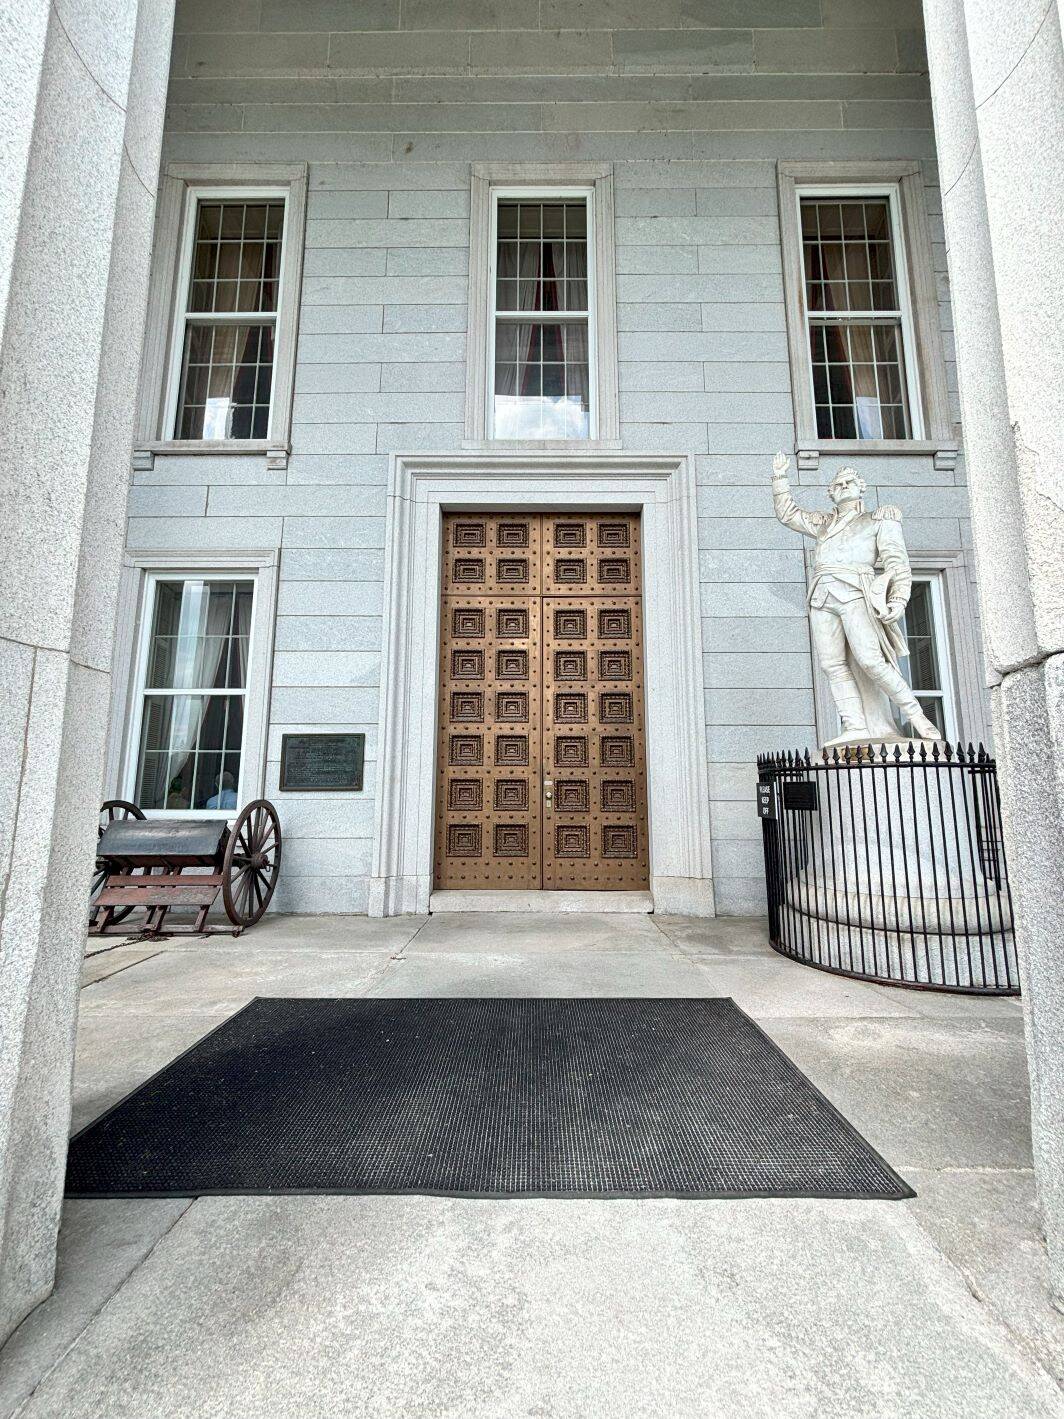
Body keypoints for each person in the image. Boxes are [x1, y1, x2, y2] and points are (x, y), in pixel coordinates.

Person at [770, 451, 942, 745]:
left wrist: (898, 599)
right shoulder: (824, 523)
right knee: (832, 665)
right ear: (831, 492)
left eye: (849, 482)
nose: (843, 486)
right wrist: (779, 477)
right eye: (837, 484)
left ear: (861, 487)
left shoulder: (878, 519)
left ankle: (917, 717)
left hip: (856, 592)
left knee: (871, 661)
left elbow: (897, 564)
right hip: (822, 595)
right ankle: (855, 725)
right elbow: (789, 515)